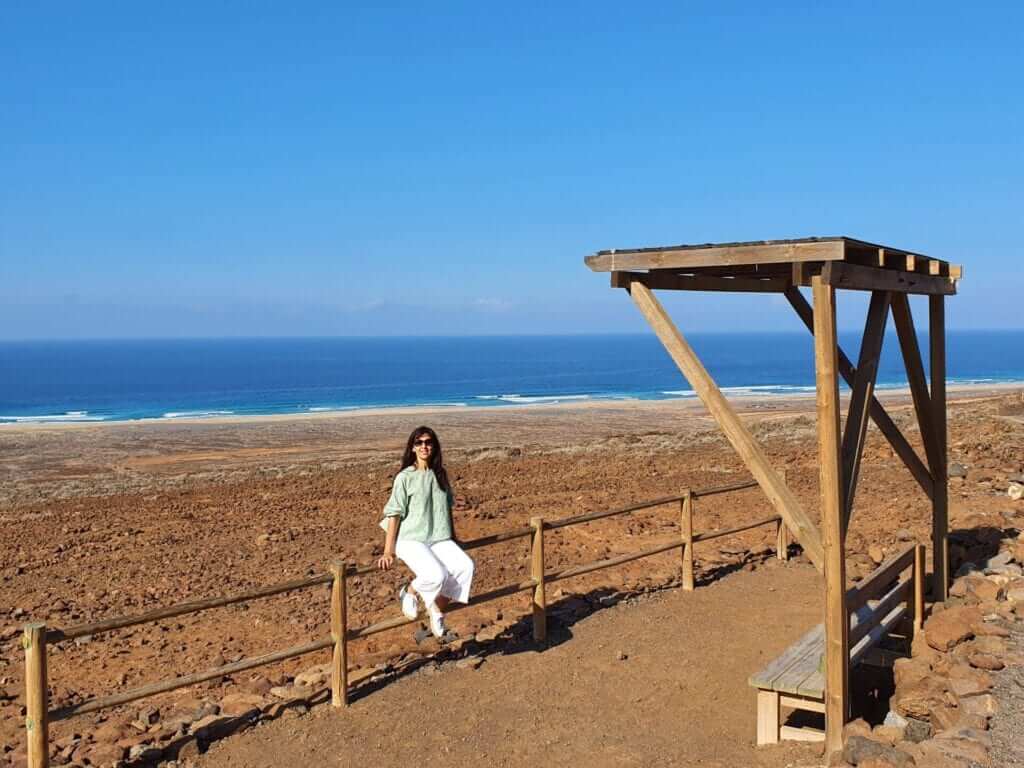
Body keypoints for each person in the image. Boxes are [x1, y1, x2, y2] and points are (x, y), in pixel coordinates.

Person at [376, 426, 474, 640]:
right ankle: (409, 591)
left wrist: (454, 537)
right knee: (435, 575)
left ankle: (436, 610)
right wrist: (388, 551)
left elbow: (446, 508)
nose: (424, 446)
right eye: (419, 442)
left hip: (439, 536)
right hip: (410, 538)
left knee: (465, 567)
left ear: (434, 446)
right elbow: (394, 514)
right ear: (412, 447)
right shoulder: (405, 477)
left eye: (428, 442)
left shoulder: (440, 475)